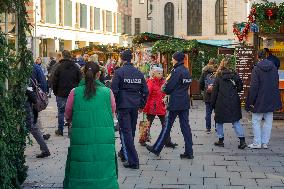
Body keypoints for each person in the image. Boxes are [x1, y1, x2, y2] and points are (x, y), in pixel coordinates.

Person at [63, 62, 119, 189]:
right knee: (104, 165)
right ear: (99, 75)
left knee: (81, 165)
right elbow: (112, 112)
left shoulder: (75, 92)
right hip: (104, 136)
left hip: (80, 136)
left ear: (83, 74)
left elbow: (67, 114)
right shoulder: (107, 92)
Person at [146, 52, 194, 159]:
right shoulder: (186, 71)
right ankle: (189, 151)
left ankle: (157, 148)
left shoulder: (176, 71)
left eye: (172, 59)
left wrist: (164, 88)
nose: (172, 61)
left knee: (167, 126)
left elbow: (168, 88)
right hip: (184, 102)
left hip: (175, 103)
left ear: (176, 59)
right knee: (185, 127)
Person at [111, 49, 149, 169]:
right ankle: (124, 152)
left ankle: (132, 160)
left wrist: (114, 106)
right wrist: (141, 105)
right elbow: (145, 91)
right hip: (134, 105)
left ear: (122, 59)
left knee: (125, 131)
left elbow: (114, 91)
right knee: (130, 130)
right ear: (131, 59)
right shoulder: (138, 73)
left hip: (123, 105)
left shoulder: (119, 72)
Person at [246, 50, 282, 149]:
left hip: (259, 99)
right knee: (268, 121)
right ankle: (265, 142)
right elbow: (276, 83)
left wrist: (251, 101)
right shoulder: (274, 67)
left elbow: (254, 87)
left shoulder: (256, 69)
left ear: (257, 57)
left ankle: (257, 142)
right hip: (271, 98)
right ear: (266, 56)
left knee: (256, 121)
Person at [211, 59, 247, 149]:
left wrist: (212, 104)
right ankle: (242, 141)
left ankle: (220, 140)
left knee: (219, 122)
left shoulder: (218, 76)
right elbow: (240, 87)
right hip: (233, 101)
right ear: (230, 65)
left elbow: (214, 92)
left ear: (221, 65)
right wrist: (234, 91)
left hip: (221, 102)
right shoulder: (235, 75)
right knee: (236, 121)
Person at [141, 67, 177, 148]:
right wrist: (143, 106)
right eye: (159, 73)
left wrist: (165, 97)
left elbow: (165, 92)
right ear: (154, 73)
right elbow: (147, 94)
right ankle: (142, 139)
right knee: (147, 124)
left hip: (161, 106)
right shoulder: (150, 82)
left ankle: (167, 141)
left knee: (165, 124)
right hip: (152, 106)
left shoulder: (163, 82)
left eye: (161, 73)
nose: (161, 75)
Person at [52, 50, 81, 136]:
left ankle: (60, 130)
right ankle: (70, 131)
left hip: (61, 93)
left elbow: (54, 81)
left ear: (63, 56)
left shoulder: (58, 67)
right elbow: (80, 80)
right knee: (72, 112)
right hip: (73, 93)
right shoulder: (76, 67)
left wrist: (55, 91)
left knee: (61, 111)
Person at [28, 65, 51, 158]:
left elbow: (29, 91)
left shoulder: (25, 73)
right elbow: (41, 79)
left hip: (28, 104)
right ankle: (44, 146)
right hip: (31, 103)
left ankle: (45, 149)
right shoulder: (34, 68)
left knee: (32, 126)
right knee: (34, 124)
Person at [199, 58, 218, 133]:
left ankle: (208, 128)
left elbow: (200, 82)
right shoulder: (218, 71)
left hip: (208, 94)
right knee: (217, 112)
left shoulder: (205, 72)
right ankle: (217, 128)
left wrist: (203, 89)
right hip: (216, 95)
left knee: (208, 112)